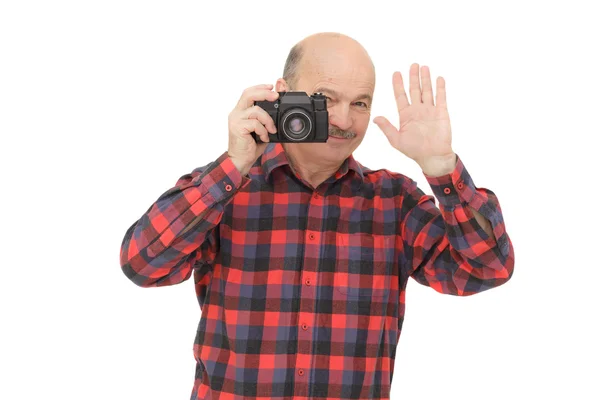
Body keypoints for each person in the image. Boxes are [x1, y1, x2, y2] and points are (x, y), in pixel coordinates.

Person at [119, 32, 515, 400]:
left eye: (360, 103)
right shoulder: (225, 189)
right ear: (283, 95)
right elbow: (143, 265)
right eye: (325, 99)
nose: (344, 121)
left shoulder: (395, 202)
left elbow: (486, 269)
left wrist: (442, 167)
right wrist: (234, 164)